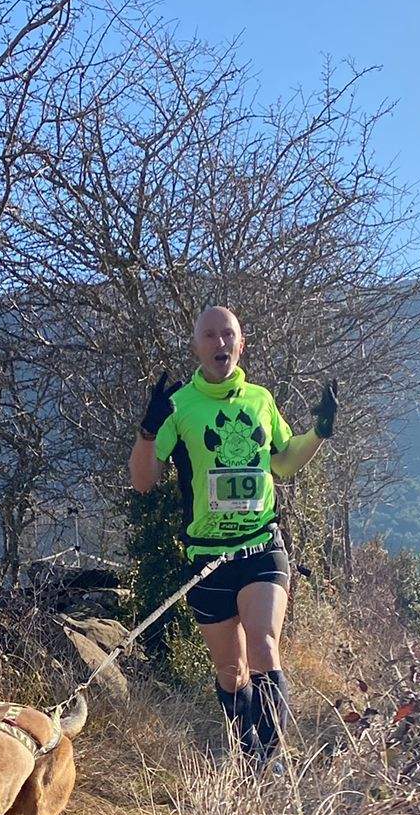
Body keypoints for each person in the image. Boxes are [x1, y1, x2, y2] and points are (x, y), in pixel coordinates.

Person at [129, 305, 336, 763]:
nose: (220, 343)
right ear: (195, 347)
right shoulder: (180, 406)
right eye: (209, 335)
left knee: (264, 646)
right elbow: (143, 482)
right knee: (231, 670)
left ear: (242, 344)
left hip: (261, 547)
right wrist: (147, 431)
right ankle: (247, 753)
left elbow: (283, 462)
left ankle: (270, 761)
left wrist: (319, 432)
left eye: (228, 335)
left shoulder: (261, 399)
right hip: (208, 558)